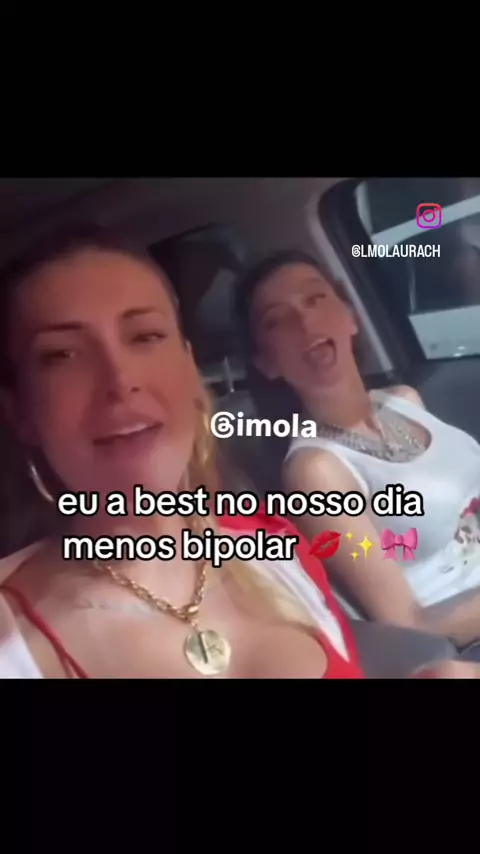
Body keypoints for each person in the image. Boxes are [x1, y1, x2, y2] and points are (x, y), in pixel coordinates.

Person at [0, 229, 475, 680]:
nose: (120, 382)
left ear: (189, 367)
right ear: (20, 410)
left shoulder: (274, 549)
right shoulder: (13, 638)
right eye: (61, 356)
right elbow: (406, 617)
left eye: (145, 336)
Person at [236, 249, 480, 659]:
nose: (306, 322)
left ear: (350, 317)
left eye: (315, 299)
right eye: (278, 320)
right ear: (266, 362)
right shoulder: (315, 471)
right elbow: (408, 623)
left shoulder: (404, 400)